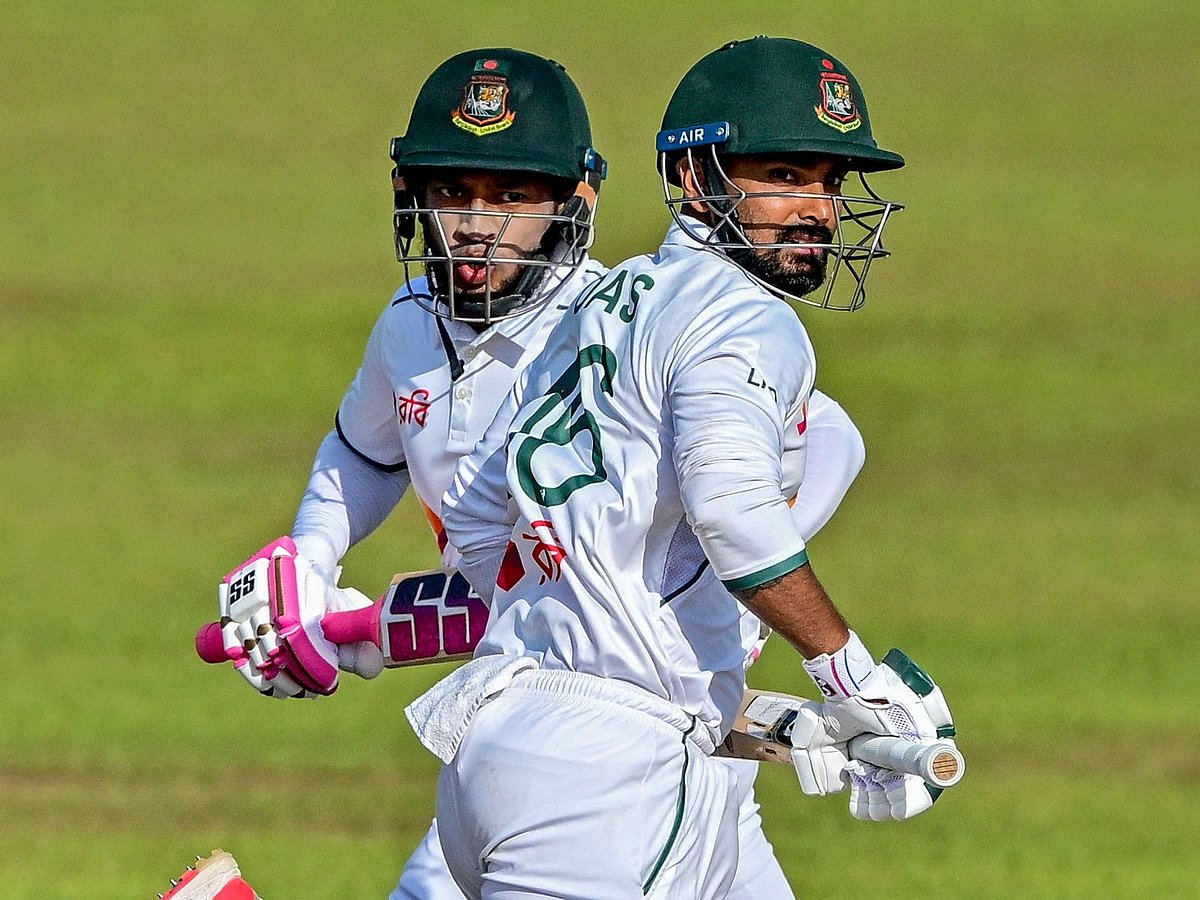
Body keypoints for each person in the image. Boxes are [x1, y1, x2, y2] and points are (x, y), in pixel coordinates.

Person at [213, 46, 869, 900]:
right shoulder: (407, 328)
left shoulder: (600, 338)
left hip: (630, 737)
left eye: (512, 195)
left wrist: (379, 631)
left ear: (576, 200)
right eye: (454, 191)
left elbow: (790, 472)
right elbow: (366, 455)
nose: (478, 224)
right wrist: (310, 562)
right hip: (551, 716)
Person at [427, 36, 956, 899]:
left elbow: (483, 515)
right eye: (783, 176)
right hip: (612, 783)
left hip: (507, 741)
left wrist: (646, 659)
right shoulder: (747, 319)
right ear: (695, 175)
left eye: (828, 180)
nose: (817, 208)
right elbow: (735, 513)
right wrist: (850, 674)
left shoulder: (603, 295)